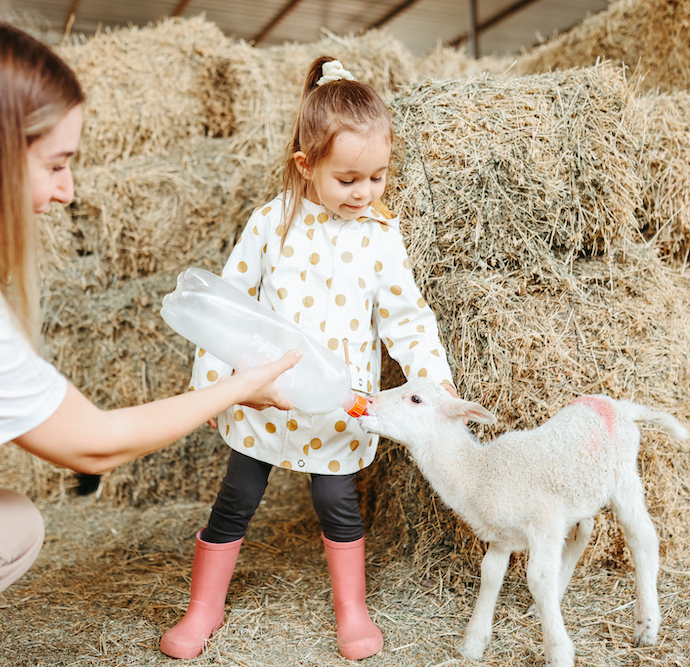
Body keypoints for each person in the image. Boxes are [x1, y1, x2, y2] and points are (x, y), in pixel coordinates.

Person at [0, 16, 300, 667]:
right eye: (57, 164)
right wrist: (239, 387)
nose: (68, 191)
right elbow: (91, 443)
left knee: (10, 528)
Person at [161, 57, 458, 661]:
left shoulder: (381, 234)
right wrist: (219, 386)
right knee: (238, 495)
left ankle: (352, 610)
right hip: (265, 394)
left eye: (377, 177)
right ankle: (204, 607)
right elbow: (229, 306)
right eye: (348, 178)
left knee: (335, 499)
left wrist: (433, 378)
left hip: (335, 400)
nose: (364, 192)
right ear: (307, 165)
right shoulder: (272, 223)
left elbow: (404, 316)